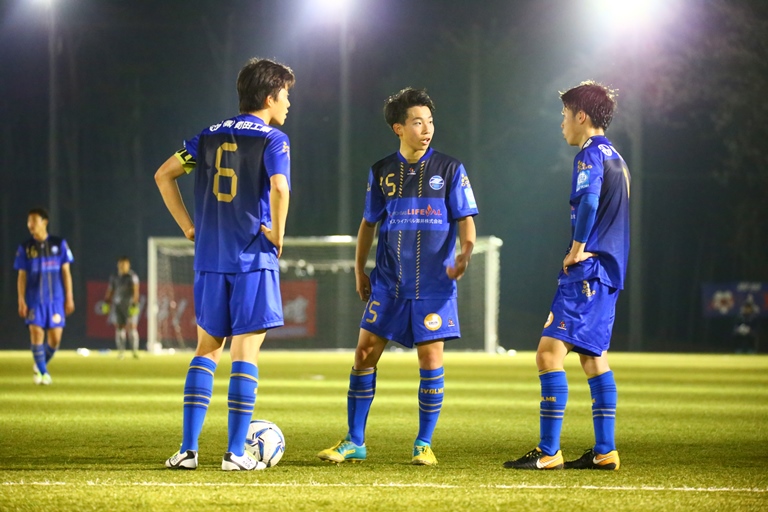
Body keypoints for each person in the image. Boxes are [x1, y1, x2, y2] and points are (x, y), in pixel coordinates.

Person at [317, 87, 478, 466]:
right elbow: (368, 224)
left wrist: (465, 254)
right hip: (388, 283)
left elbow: (466, 220)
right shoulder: (381, 171)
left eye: (430, 122)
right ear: (398, 128)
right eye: (418, 122)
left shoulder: (450, 169)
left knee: (430, 359)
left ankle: (423, 443)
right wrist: (359, 269)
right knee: (364, 354)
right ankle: (355, 440)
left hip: (435, 286)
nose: (427, 129)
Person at [154, 57, 294, 471]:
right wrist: (278, 234)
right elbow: (280, 188)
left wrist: (188, 227)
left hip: (211, 258)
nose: (288, 104)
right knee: (245, 350)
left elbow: (164, 175)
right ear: (269, 97)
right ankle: (235, 453)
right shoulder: (274, 139)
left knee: (207, 349)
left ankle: (187, 451)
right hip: (252, 256)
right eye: (286, 95)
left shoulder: (207, 136)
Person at [504, 81, 630, 471]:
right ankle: (605, 451)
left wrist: (576, 249)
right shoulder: (617, 158)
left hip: (588, 271)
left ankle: (548, 451)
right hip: (609, 272)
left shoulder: (589, 155)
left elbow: (589, 201)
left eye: (564, 115)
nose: (561, 123)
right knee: (593, 358)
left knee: (548, 354)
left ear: (581, 116)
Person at [14, 207, 75, 385]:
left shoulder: (59, 244)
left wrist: (69, 296)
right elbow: (21, 276)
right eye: (28, 221)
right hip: (34, 300)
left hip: (56, 300)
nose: (30, 225)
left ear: (44, 222)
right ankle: (43, 373)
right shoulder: (25, 248)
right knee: (36, 334)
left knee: (55, 340)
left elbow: (66, 273)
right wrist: (21, 299)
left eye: (34, 221)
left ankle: (40, 364)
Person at [102, 256, 141, 359]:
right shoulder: (114, 276)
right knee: (119, 328)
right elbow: (110, 290)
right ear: (118, 265)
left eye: (125, 264)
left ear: (128, 265)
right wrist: (106, 302)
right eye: (121, 264)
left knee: (132, 328)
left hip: (129, 305)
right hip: (118, 305)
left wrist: (135, 304)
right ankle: (121, 352)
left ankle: (134, 351)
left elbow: (136, 291)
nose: (122, 266)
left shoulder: (132, 276)